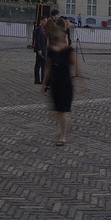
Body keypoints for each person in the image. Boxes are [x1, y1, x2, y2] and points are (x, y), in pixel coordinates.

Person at [41, 13, 80, 146]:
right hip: (55, 83)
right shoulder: (52, 50)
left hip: (65, 84)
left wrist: (82, 83)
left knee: (61, 112)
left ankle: (62, 136)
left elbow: (77, 67)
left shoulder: (68, 50)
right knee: (54, 112)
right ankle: (66, 124)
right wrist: (44, 84)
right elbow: (48, 67)